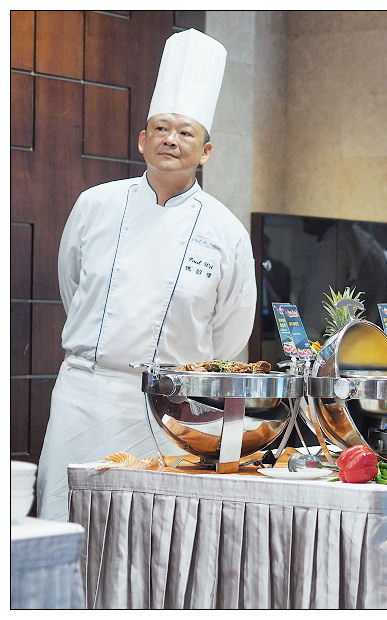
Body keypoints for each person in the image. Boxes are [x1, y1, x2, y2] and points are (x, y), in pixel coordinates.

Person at [36, 29, 257, 520]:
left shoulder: (225, 230)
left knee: (151, 530)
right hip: (84, 394)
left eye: (185, 133)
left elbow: (232, 328)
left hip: (170, 407)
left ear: (206, 151)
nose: (170, 140)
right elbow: (74, 286)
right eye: (160, 128)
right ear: (142, 140)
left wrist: (181, 377)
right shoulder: (95, 204)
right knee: (61, 518)